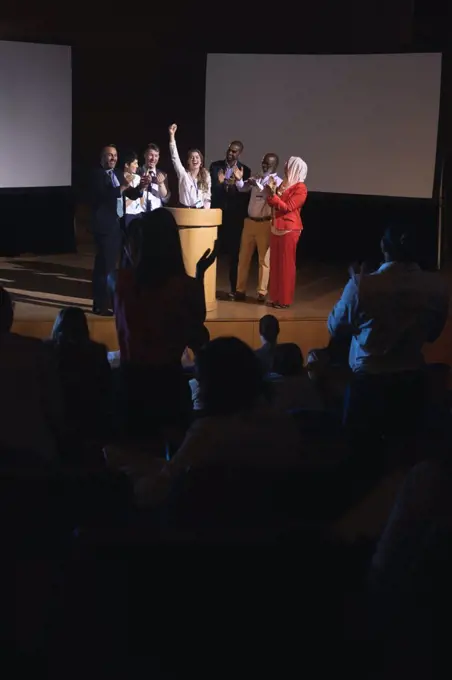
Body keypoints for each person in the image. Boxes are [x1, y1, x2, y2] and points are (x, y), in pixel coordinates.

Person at [328, 224, 449, 435]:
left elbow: (335, 327)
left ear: (383, 246)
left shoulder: (362, 285)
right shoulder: (438, 286)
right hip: (413, 384)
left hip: (369, 385)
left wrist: (355, 286)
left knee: (360, 453)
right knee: (409, 453)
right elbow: (433, 334)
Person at [108, 208, 218, 441]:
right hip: (169, 384)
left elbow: (129, 275)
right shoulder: (185, 287)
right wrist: (198, 276)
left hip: (131, 384)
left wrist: (130, 252)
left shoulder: (117, 280)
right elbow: (197, 328)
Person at [89, 144, 148, 316]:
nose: (113, 158)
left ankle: (114, 302)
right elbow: (102, 196)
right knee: (104, 267)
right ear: (102, 158)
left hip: (118, 226)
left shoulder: (117, 174)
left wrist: (141, 188)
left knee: (118, 267)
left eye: (115, 155)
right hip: (104, 227)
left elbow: (131, 194)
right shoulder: (96, 175)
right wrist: (121, 187)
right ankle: (100, 304)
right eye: (109, 155)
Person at [46, 306, 112, 450]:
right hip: (92, 424)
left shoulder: (47, 351)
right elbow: (106, 388)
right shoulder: (97, 352)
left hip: (56, 425)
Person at [234, 154, 282, 302]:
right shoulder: (257, 176)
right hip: (249, 222)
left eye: (268, 164)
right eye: (263, 163)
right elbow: (243, 189)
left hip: (264, 223)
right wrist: (239, 180)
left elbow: (271, 195)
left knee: (264, 260)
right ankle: (239, 290)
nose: (265, 166)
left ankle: (262, 292)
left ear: (275, 165)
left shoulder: (277, 181)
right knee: (243, 257)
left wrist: (258, 185)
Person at [265, 156, 308, 309]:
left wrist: (274, 196)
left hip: (290, 229)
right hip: (276, 226)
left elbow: (288, 207)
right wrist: (270, 193)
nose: (285, 168)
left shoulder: (300, 188)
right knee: (275, 264)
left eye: (288, 166)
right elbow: (273, 203)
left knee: (286, 265)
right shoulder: (284, 183)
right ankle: (275, 297)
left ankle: (284, 300)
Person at [210, 141, 251, 297]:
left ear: (239, 153)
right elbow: (212, 188)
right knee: (214, 252)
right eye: (229, 150)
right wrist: (221, 184)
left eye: (234, 151)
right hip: (217, 217)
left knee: (234, 256)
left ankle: (234, 289)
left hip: (234, 219)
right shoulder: (215, 167)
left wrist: (235, 186)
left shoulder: (244, 170)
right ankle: (208, 287)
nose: (230, 153)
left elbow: (244, 195)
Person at [168, 124, 211, 208]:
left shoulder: (206, 175)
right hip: (184, 212)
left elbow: (207, 196)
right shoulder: (183, 174)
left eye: (197, 157)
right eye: (192, 157)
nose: (195, 160)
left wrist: (206, 213)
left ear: (201, 161)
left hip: (200, 213)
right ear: (188, 161)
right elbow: (175, 157)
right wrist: (172, 135)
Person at [139, 142, 170, 212]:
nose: (153, 159)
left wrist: (161, 184)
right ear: (145, 155)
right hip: (140, 214)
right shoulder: (137, 172)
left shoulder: (163, 175)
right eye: (151, 155)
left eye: (156, 156)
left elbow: (166, 199)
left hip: (156, 214)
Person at [122, 150, 144, 227]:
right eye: (135, 163)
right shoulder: (121, 179)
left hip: (139, 213)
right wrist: (135, 194)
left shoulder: (138, 178)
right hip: (128, 215)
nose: (137, 166)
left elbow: (142, 201)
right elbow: (122, 205)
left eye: (137, 163)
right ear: (127, 165)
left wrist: (142, 188)